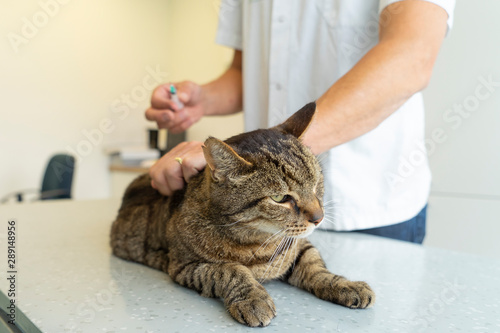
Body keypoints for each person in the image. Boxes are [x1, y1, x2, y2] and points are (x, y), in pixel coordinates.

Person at [145, 0, 456, 244]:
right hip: (265, 219)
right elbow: (245, 71)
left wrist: (254, 158)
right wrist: (204, 98)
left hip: (371, 205)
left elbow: (411, 58)